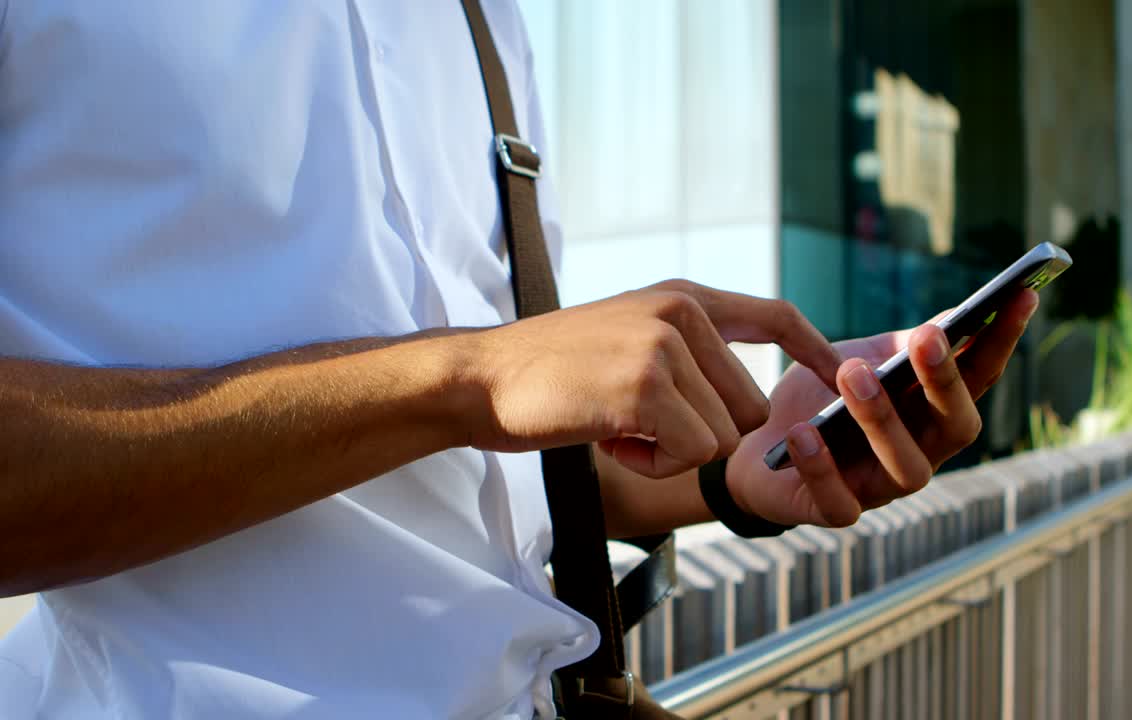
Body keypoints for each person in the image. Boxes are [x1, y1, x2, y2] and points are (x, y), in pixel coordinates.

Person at [0, 2, 1038, 718]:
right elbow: (470, 393)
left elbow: (470, 477)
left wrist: (741, 466)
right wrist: (469, 377)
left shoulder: (475, 22)